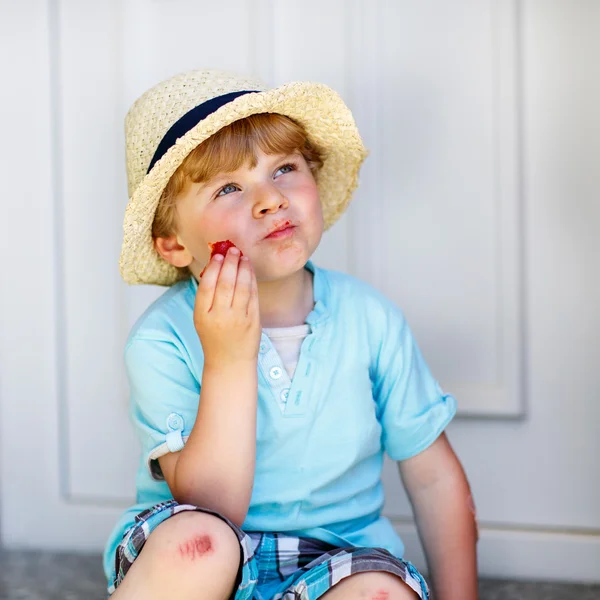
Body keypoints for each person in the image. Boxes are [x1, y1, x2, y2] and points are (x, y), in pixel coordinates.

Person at [104, 69, 478, 600]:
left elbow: (434, 479)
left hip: (338, 559)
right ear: (174, 245)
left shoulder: (370, 320)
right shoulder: (160, 340)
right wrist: (229, 358)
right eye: (230, 188)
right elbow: (214, 505)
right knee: (199, 541)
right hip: (209, 558)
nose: (270, 200)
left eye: (283, 169)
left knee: (382, 592)